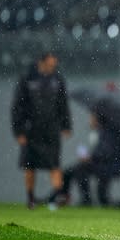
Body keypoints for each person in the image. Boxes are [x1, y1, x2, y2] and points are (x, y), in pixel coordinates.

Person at [11, 52, 72, 210]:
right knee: (30, 165)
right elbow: (18, 106)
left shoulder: (57, 80)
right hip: (31, 129)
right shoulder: (28, 78)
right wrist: (19, 131)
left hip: (51, 129)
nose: (53, 67)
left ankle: (56, 197)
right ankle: (31, 198)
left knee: (54, 163)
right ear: (42, 62)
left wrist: (66, 126)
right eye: (50, 64)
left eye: (54, 65)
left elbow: (63, 105)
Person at [60, 110, 120, 206]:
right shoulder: (102, 131)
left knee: (81, 169)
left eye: (92, 118)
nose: (90, 120)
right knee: (73, 170)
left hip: (109, 166)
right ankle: (78, 197)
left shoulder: (108, 132)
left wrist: (91, 157)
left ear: (98, 119)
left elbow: (107, 152)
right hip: (103, 164)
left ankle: (86, 199)